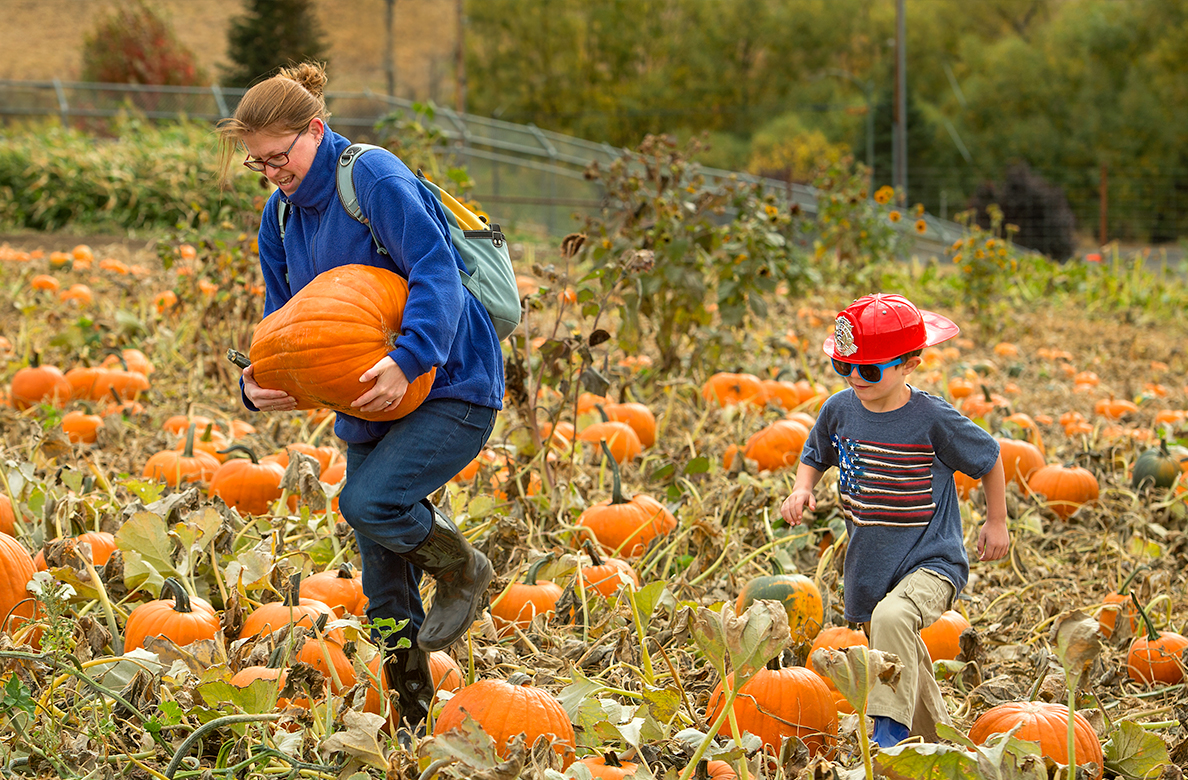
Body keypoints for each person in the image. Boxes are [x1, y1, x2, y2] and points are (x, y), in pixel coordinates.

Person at [215, 62, 503, 731]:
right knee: (382, 581)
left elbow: (436, 270)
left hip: (450, 380)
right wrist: (261, 384)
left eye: (279, 156)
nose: (271, 172)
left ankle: (464, 570)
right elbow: (285, 324)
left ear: (316, 129)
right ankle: (410, 718)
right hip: (369, 401)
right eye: (258, 163)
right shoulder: (280, 216)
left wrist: (409, 359)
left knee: (369, 502)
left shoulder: (371, 178)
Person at [780, 293, 1009, 748]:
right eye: (844, 367)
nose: (855, 379)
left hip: (932, 560)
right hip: (871, 565)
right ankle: (942, 747)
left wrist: (996, 521)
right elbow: (814, 453)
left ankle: (887, 735)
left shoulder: (932, 418)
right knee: (903, 654)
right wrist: (802, 487)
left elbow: (989, 458)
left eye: (869, 369)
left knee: (893, 617)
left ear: (909, 364)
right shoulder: (839, 409)